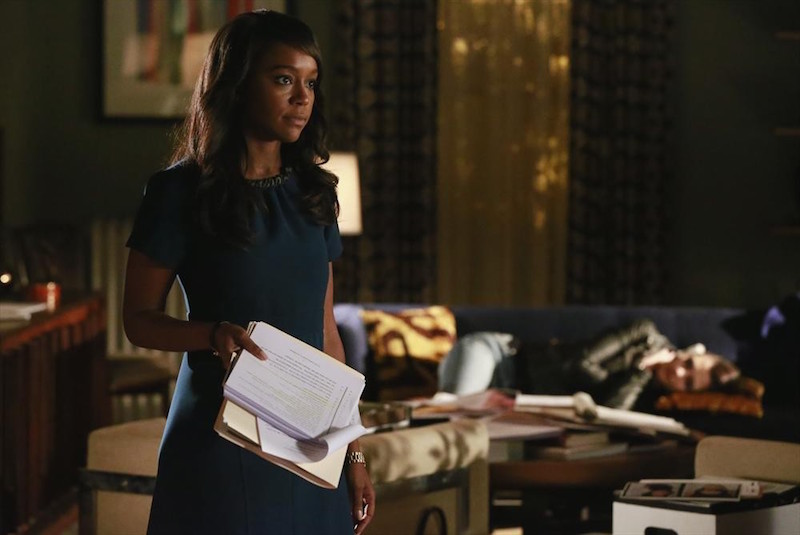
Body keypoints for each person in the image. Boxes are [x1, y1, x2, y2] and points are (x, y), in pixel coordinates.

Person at [122, 10, 374, 534]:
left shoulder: (315, 194)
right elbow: (139, 320)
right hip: (219, 435)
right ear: (237, 85)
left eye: (311, 82)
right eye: (283, 80)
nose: (302, 98)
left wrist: (352, 453)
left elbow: (326, 334)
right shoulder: (178, 193)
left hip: (310, 444)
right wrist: (212, 334)